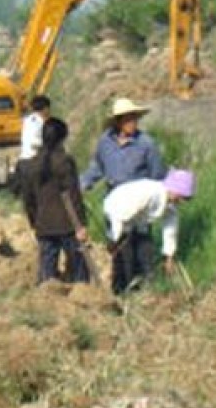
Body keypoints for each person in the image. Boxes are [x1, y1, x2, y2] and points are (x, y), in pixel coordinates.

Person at [102, 169, 195, 295]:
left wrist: (169, 256)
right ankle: (120, 292)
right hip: (117, 212)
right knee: (125, 257)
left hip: (138, 221)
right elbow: (121, 216)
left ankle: (147, 292)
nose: (182, 201)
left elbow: (170, 230)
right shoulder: (149, 193)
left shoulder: (170, 206)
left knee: (146, 253)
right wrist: (114, 240)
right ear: (174, 190)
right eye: (182, 197)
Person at [21, 118, 89, 285]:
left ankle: (45, 303)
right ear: (62, 139)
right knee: (78, 271)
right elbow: (74, 195)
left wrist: (34, 221)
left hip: (44, 224)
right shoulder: (65, 162)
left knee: (47, 272)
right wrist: (80, 225)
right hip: (67, 225)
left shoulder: (31, 165)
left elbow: (28, 199)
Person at [80, 98, 166, 192]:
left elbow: (157, 175)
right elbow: (97, 167)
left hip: (138, 197)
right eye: (128, 120)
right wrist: (82, 184)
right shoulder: (105, 142)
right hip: (113, 196)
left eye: (134, 119)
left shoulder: (146, 144)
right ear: (118, 122)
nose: (133, 123)